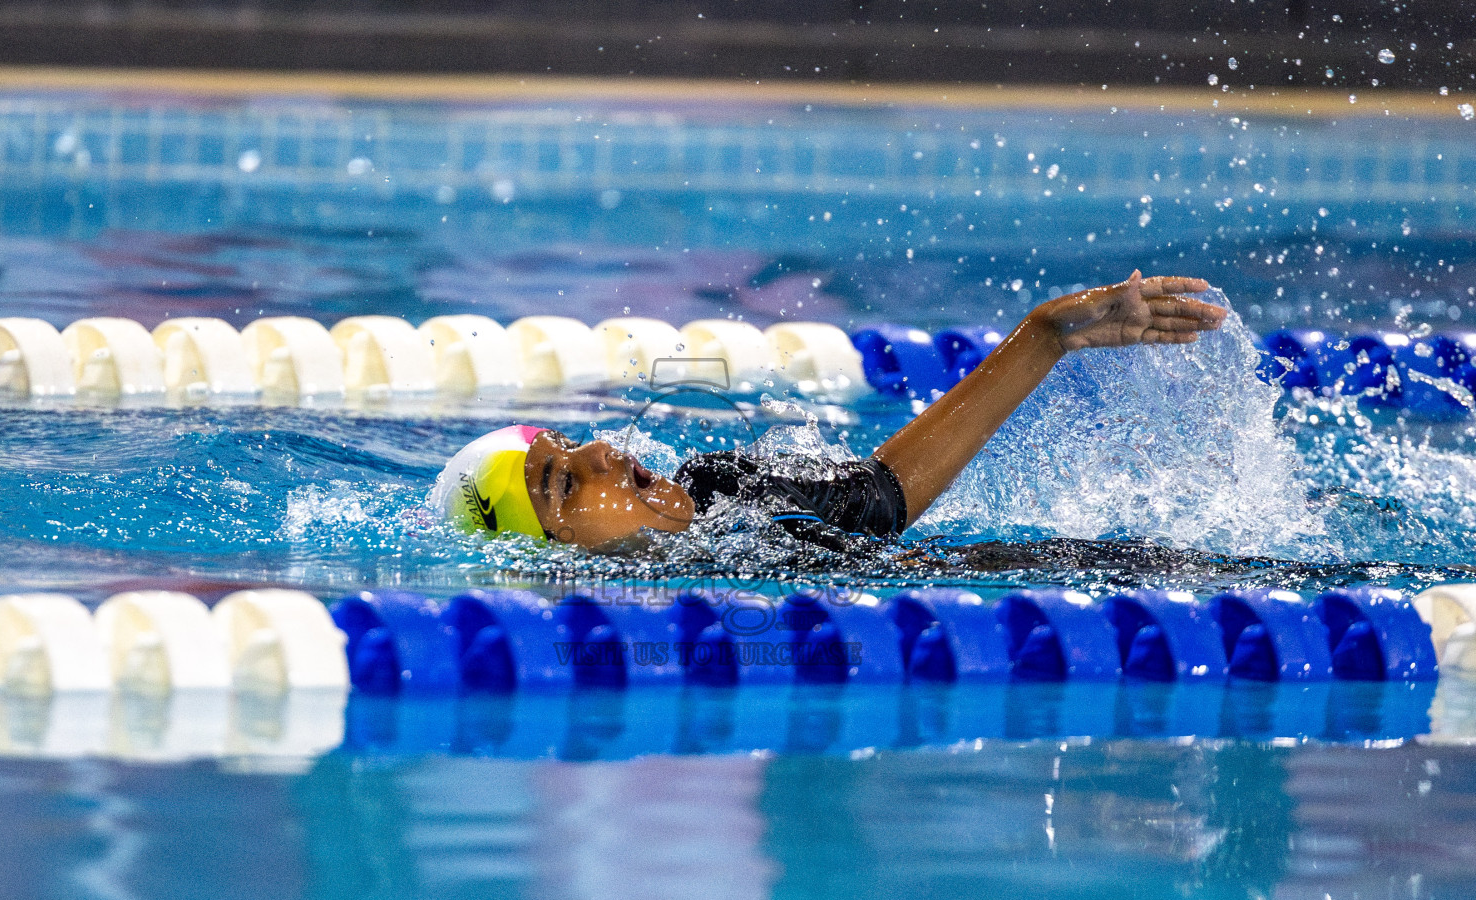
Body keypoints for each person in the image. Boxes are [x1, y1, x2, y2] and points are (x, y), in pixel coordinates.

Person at [430, 272, 1227, 553]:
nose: (600, 454)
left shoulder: (725, 482)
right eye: (563, 487)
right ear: (553, 560)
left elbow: (883, 497)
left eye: (568, 446)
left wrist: (1044, 337)